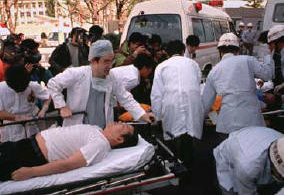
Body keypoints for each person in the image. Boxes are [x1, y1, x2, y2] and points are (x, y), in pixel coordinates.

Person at [48, 40, 155, 128]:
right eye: (106, 61)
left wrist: (143, 115)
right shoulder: (77, 74)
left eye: (111, 61)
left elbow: (126, 99)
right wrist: (62, 106)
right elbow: (53, 84)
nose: (110, 65)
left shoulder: (111, 77)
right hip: (78, 129)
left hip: (102, 130)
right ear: (94, 60)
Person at [0, 122, 138, 181]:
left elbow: (68, 164)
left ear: (120, 139)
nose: (119, 122)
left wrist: (31, 172)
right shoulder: (96, 129)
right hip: (25, 145)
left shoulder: (100, 145)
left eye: (123, 125)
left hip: (29, 156)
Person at [202, 33, 274, 143]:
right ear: (238, 50)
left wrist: (216, 121)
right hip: (251, 123)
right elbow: (268, 74)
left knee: (229, 157)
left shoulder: (214, 71)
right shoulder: (248, 60)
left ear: (220, 51)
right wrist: (268, 54)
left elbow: (206, 105)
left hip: (226, 126)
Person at [151, 40, 204, 169]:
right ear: (182, 51)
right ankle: (190, 165)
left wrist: (157, 116)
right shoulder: (193, 64)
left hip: (171, 103)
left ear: (167, 53)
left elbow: (157, 94)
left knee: (173, 136)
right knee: (189, 133)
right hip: (192, 102)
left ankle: (176, 165)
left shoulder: (161, 66)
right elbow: (198, 83)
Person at [214, 126, 284, 195]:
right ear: (273, 166)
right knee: (230, 191)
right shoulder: (247, 167)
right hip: (229, 160)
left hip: (251, 140)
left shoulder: (281, 141)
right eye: (281, 176)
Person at [0, 65, 51, 142]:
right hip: (10, 127)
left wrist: (44, 109)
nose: (19, 92)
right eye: (16, 89)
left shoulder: (32, 85)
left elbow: (48, 96)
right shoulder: (1, 89)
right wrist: (18, 118)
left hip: (32, 125)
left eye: (23, 89)